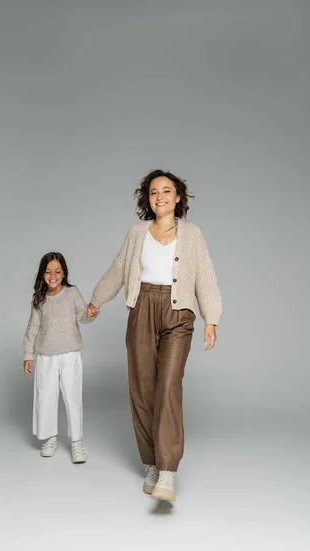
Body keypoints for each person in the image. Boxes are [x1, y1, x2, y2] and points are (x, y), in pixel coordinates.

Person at [87, 170, 222, 501]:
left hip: (179, 313)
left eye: (167, 191)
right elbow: (119, 268)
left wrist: (211, 318)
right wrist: (96, 300)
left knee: (169, 386)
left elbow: (205, 274)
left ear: (179, 197)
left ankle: (167, 471)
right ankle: (150, 462)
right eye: (153, 192)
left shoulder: (193, 234)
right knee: (143, 388)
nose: (160, 196)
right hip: (142, 307)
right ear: (147, 200)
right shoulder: (137, 233)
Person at [23, 252, 97, 463]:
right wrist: (28, 355)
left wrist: (90, 314)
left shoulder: (72, 293)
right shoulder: (39, 299)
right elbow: (32, 327)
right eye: (48, 272)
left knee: (73, 396)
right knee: (45, 396)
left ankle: (77, 443)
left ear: (64, 273)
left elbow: (83, 315)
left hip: (70, 353)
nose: (52, 275)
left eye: (57, 271)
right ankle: (49, 438)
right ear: (42, 274)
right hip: (46, 355)